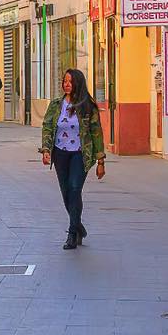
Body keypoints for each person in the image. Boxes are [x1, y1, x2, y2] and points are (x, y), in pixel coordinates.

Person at [41, 69, 106, 249]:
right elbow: (47, 126)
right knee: (66, 193)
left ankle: (72, 233)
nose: (67, 84)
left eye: (70, 81)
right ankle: (78, 226)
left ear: (78, 83)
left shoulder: (88, 106)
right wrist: (46, 149)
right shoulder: (56, 105)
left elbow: (96, 133)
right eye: (65, 81)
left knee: (75, 188)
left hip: (80, 153)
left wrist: (100, 161)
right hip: (60, 153)